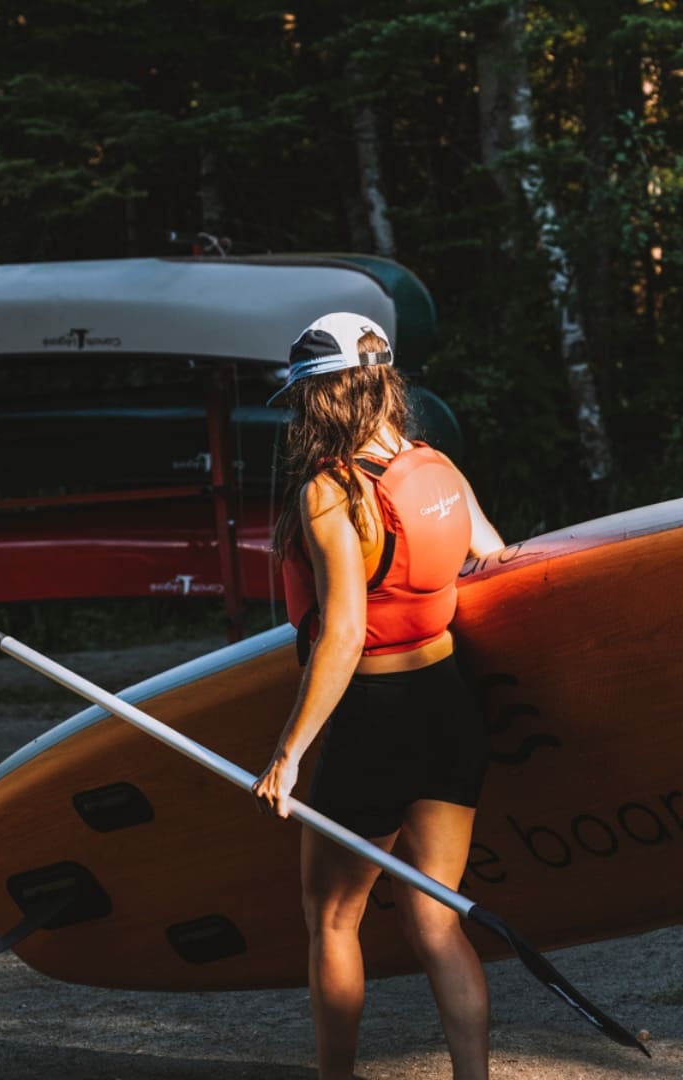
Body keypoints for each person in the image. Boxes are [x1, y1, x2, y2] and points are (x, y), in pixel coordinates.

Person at [253, 312, 504, 1080]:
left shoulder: (332, 493)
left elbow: (343, 635)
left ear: (322, 397)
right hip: (450, 704)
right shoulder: (437, 468)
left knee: (332, 917)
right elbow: (493, 557)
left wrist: (288, 756)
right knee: (435, 916)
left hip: (375, 720)